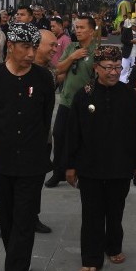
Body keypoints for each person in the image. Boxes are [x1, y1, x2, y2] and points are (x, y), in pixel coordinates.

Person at [0, 22, 55, 271]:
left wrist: (42, 149)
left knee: (24, 221)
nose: (31, 53)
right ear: (10, 46)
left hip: (33, 162)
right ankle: (16, 262)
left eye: (34, 47)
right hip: (1, 160)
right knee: (8, 220)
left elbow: (46, 117)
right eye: (25, 47)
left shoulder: (44, 78)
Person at [64, 46, 136, 271]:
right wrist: (70, 165)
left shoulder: (130, 95)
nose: (113, 72)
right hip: (89, 166)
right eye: (108, 67)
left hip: (120, 166)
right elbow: (73, 133)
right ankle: (91, 258)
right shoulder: (84, 95)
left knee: (115, 210)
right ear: (96, 68)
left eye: (117, 67)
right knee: (91, 213)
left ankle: (113, 246)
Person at [45, 14, 100, 188]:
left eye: (82, 27)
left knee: (83, 138)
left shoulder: (97, 51)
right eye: (76, 27)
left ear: (91, 30)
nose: (78, 30)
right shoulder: (71, 47)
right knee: (59, 134)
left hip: (86, 103)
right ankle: (59, 171)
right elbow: (59, 68)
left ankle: (81, 170)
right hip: (67, 100)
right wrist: (73, 56)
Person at [120, 17, 136, 83]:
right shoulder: (126, 30)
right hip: (127, 52)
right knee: (125, 67)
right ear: (132, 26)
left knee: (134, 68)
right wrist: (131, 41)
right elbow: (123, 40)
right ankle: (122, 81)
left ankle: (132, 81)